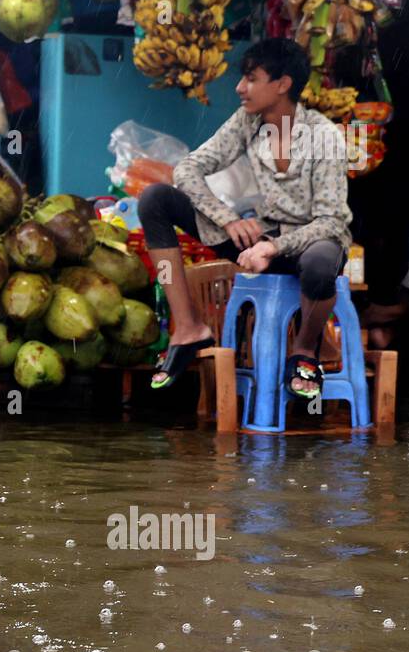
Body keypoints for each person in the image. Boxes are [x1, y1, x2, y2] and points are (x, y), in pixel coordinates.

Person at [138, 37, 353, 399]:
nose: (240, 88)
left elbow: (331, 220)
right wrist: (227, 219)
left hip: (310, 246)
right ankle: (188, 328)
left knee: (319, 262)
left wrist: (274, 247)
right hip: (258, 242)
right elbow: (188, 169)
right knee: (155, 199)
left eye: (251, 78)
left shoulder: (324, 136)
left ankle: (304, 351)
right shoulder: (247, 122)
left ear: (282, 84)